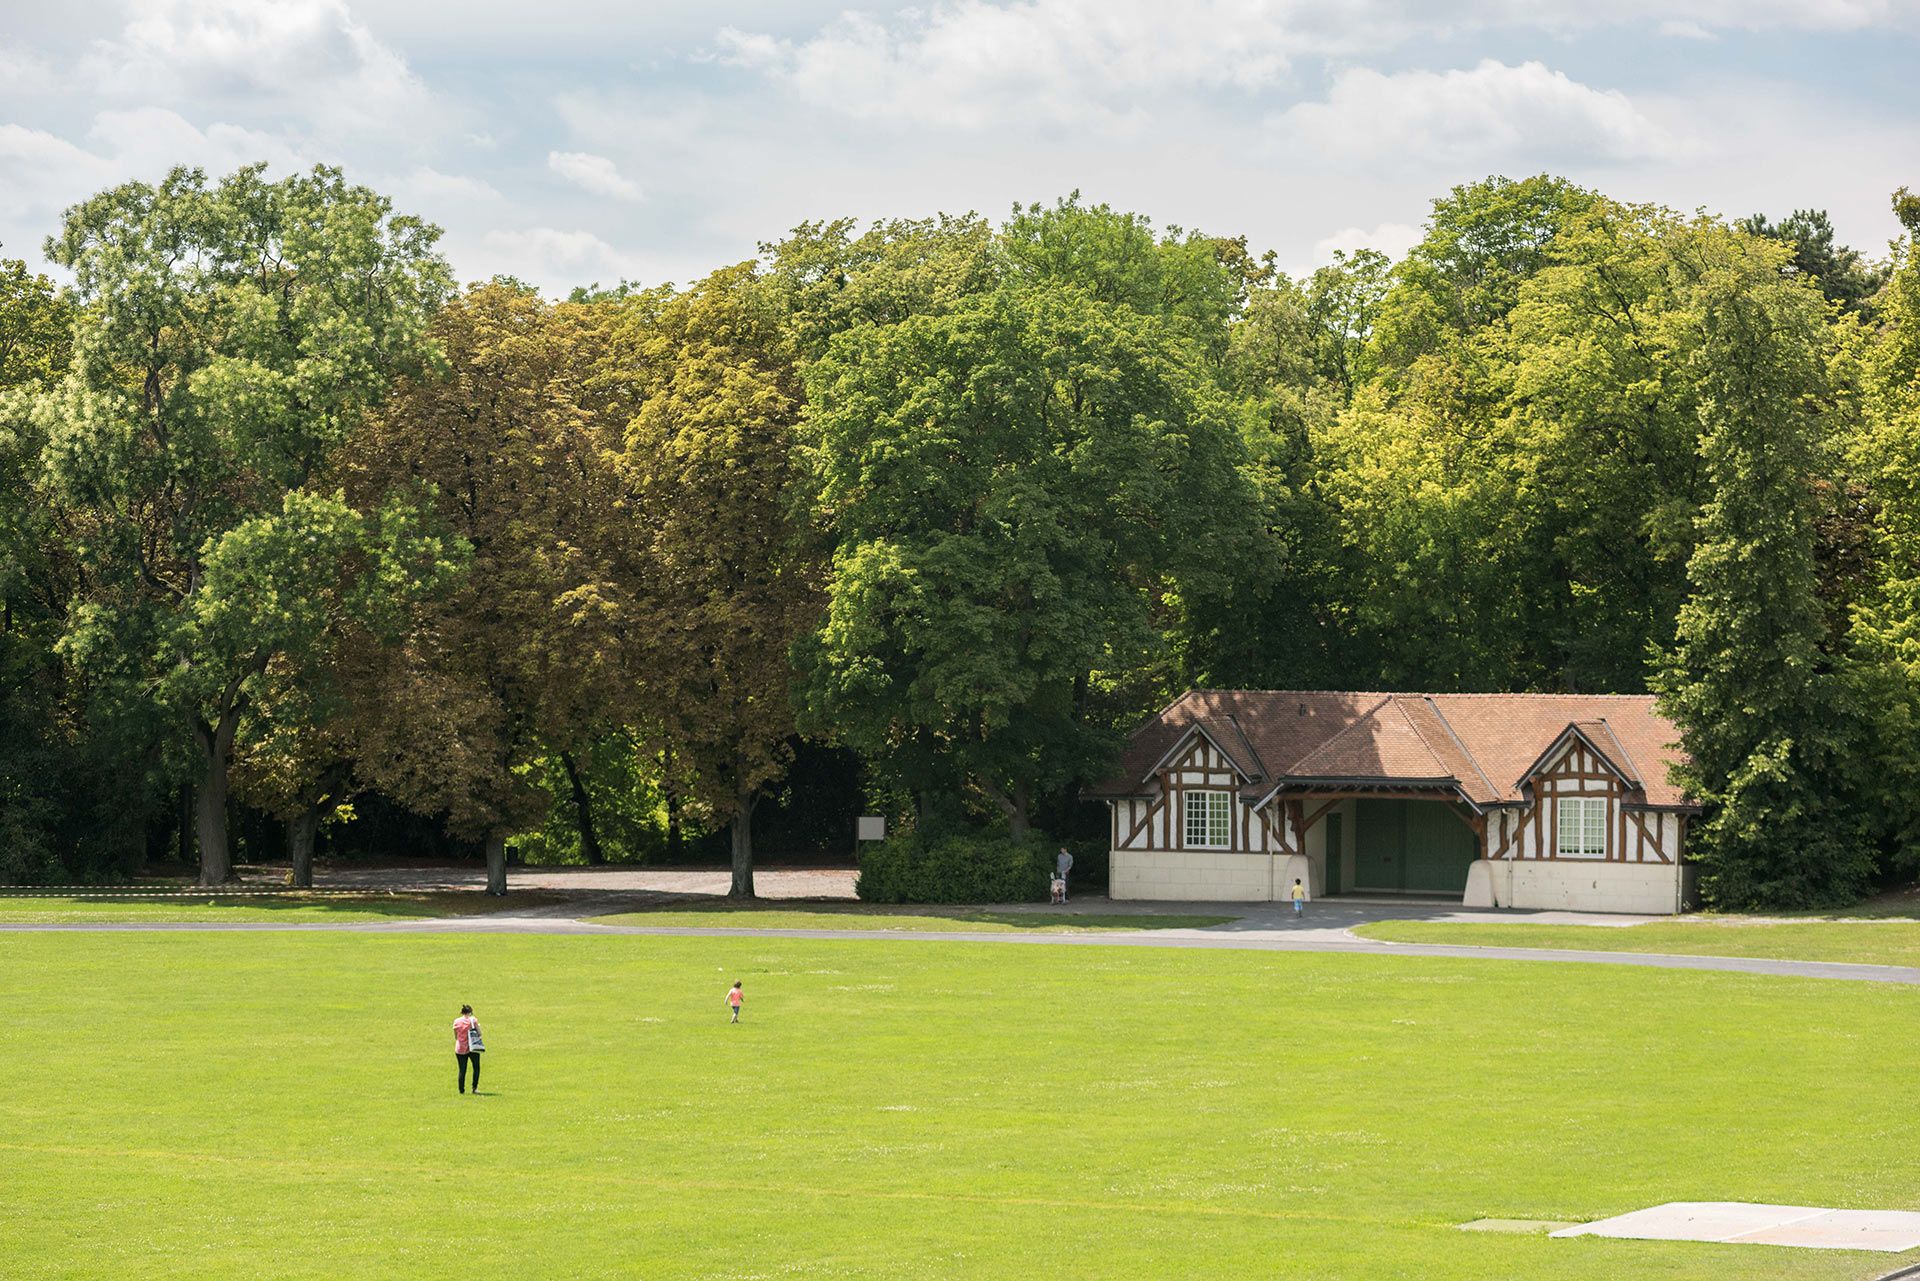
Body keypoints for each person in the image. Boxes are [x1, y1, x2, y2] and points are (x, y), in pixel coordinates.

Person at [454, 1004, 484, 1094]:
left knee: (462, 1070)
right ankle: (474, 1088)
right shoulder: (473, 1020)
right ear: (470, 1012)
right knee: (476, 1068)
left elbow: (456, 1036)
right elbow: (479, 1033)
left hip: (460, 1048)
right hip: (473, 1047)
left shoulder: (456, 1021)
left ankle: (461, 1090)